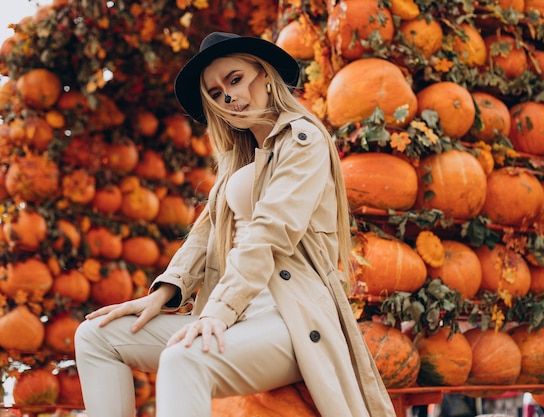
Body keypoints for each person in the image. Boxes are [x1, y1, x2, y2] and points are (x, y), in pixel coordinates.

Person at [73, 31, 396, 417]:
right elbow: (203, 236)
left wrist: (216, 313)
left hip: (289, 318)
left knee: (183, 358)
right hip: (236, 316)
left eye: (235, 79)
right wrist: (162, 294)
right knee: (95, 336)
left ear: (264, 74)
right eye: (214, 92)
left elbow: (270, 232)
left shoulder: (304, 140)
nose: (227, 96)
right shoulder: (238, 162)